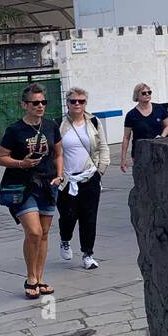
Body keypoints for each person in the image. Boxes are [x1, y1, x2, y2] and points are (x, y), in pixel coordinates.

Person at [0, 83, 64, 299]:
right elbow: (0, 158)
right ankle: (30, 277)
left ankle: (40, 278)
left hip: (48, 184)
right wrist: (20, 164)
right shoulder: (15, 130)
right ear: (25, 105)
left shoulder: (51, 126)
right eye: (35, 103)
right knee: (33, 232)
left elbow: (58, 154)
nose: (40, 106)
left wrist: (59, 175)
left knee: (43, 234)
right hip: (22, 186)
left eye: (43, 102)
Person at [57, 87, 110, 270]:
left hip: (89, 177)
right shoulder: (60, 124)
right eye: (73, 101)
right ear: (68, 103)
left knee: (89, 218)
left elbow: (103, 147)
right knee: (68, 216)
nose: (77, 104)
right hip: (67, 180)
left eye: (81, 101)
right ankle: (65, 239)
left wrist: (99, 171)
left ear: (86, 103)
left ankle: (88, 254)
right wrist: (57, 176)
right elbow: (55, 153)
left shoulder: (93, 122)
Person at [121, 83, 168, 172]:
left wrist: (162, 136)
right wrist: (123, 158)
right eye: (144, 93)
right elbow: (126, 138)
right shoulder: (131, 115)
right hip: (140, 152)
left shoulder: (159, 108)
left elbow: (167, 126)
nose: (147, 94)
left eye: (149, 92)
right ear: (137, 96)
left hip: (158, 150)